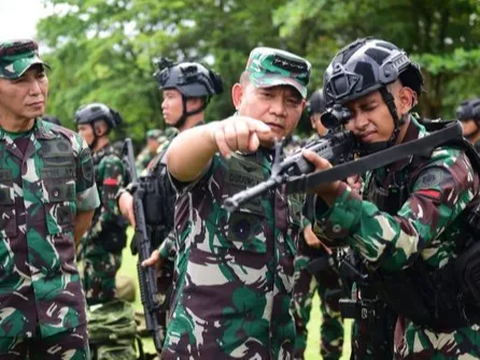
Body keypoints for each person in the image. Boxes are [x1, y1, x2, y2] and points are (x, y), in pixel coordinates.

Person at [304, 37, 480, 358]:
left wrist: (340, 196)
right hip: (378, 333)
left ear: (405, 99)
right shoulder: (377, 157)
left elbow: (401, 245)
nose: (358, 123)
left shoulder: (447, 163)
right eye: (349, 112)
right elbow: (332, 237)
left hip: (439, 342)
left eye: (368, 107)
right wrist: (328, 198)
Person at [155, 47, 310, 359]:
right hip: (206, 349)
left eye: (291, 101)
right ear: (239, 96)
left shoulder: (294, 167)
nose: (279, 109)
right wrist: (214, 133)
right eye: (267, 95)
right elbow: (177, 160)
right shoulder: (214, 152)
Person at [0, 39, 100, 359]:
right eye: (20, 80)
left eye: (40, 76)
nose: (36, 89)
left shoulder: (70, 146)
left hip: (63, 316)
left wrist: (52, 258)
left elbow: (84, 214)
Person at [118, 59, 223, 345]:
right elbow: (140, 185)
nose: (164, 104)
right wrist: (124, 196)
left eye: (170, 96)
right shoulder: (167, 147)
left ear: (195, 99)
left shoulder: (203, 150)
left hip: (187, 271)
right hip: (159, 264)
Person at [291, 88, 344, 360]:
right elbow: (288, 198)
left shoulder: (350, 152)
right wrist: (306, 226)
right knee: (296, 316)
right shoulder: (301, 154)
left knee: (335, 316)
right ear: (312, 120)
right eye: (322, 117)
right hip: (304, 252)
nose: (328, 122)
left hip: (337, 253)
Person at [75, 102, 127, 305]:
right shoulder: (93, 160)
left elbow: (110, 211)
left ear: (100, 129)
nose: (78, 134)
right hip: (91, 247)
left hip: (103, 248)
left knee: (100, 305)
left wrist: (85, 236)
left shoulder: (111, 162)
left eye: (82, 129)